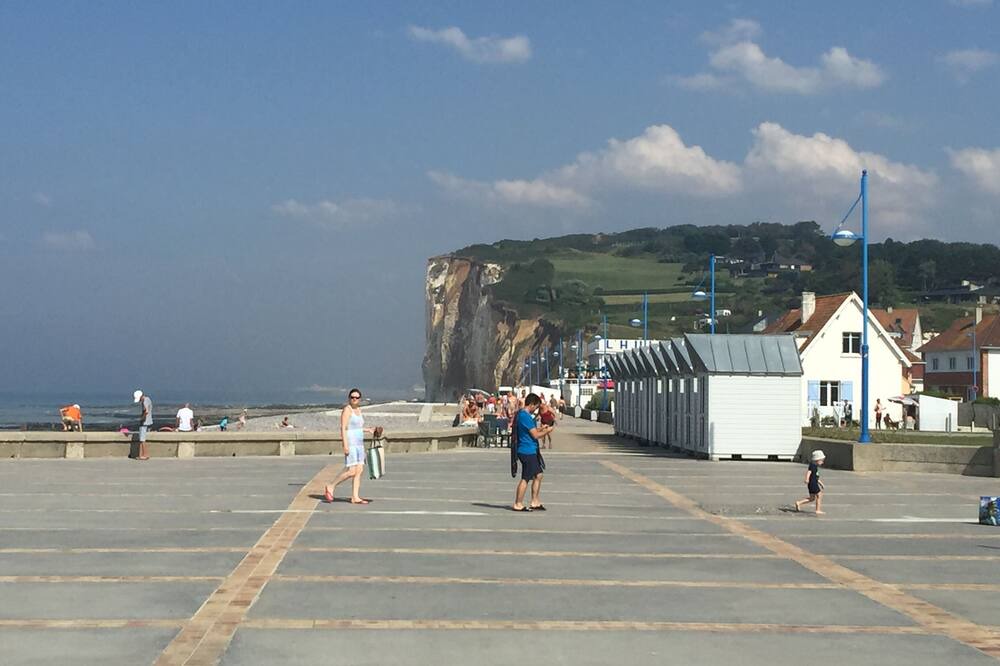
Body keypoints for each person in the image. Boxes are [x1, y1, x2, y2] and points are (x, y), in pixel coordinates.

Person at [324, 388, 380, 505]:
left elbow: (357, 427)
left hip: (359, 444)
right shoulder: (347, 410)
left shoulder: (359, 410)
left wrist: (368, 429)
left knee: (359, 470)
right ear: (349, 398)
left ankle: (355, 497)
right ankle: (331, 486)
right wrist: (345, 445)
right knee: (351, 471)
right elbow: (344, 428)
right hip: (351, 443)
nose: (354, 399)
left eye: (356, 397)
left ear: (360, 399)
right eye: (352, 397)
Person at [512, 393, 554, 512]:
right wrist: (547, 431)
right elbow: (535, 435)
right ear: (531, 404)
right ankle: (518, 503)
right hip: (527, 451)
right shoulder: (525, 416)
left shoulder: (523, 415)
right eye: (536, 407)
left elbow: (531, 430)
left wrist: (542, 428)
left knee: (538, 475)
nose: (536, 410)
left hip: (530, 450)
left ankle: (535, 501)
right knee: (526, 477)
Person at [794, 450, 825, 515]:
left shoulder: (815, 466)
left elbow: (815, 477)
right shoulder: (813, 466)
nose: (823, 462)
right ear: (817, 460)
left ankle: (799, 503)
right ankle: (818, 510)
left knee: (812, 498)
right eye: (821, 460)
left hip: (812, 483)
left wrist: (821, 483)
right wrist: (807, 479)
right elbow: (809, 472)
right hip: (813, 484)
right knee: (819, 495)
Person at [133, 389, 152, 461]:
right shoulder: (148, 399)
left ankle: (145, 455)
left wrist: (142, 418)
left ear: (141, 396)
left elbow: (146, 411)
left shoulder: (145, 401)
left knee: (142, 439)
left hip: (144, 422)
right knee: (141, 439)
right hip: (147, 421)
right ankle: (140, 455)